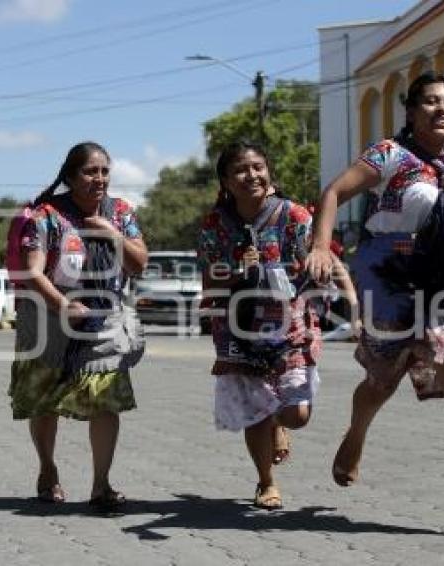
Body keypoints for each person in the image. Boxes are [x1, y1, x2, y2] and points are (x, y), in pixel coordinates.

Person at [307, 72, 444, 524]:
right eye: (432, 102)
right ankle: (355, 436)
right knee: (382, 382)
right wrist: (321, 246)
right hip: (394, 283)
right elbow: (334, 192)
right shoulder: (390, 155)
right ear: (412, 111)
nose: (443, 109)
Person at [8, 142, 147, 511]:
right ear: (70, 177)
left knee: (106, 398)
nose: (99, 179)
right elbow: (32, 272)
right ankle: (48, 469)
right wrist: (63, 304)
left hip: (103, 317)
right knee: (44, 400)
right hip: (49, 317)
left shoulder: (119, 212)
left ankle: (101, 484)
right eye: (90, 171)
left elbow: (139, 263)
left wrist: (110, 234)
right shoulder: (47, 216)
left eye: (104, 171)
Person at [196, 141, 324, 510]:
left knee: (296, 414)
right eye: (240, 169)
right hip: (239, 327)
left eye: (257, 167)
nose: (251, 175)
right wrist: (239, 272)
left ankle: (280, 424)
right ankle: (266, 482)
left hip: (290, 326)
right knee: (256, 409)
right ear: (225, 180)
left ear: (268, 172)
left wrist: (318, 268)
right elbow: (209, 284)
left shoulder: (295, 216)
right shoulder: (215, 225)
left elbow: (313, 265)